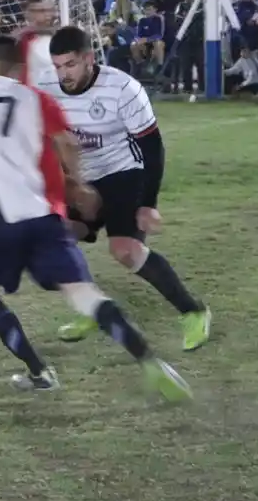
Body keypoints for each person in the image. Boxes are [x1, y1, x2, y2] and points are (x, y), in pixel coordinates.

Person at [0, 35, 191, 399]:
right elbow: (67, 142)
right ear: (16, 68)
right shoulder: (37, 99)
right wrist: (77, 183)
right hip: (45, 218)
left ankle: (40, 371)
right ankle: (150, 361)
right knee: (84, 294)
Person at [44, 26, 212, 351]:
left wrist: (148, 203)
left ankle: (193, 312)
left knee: (125, 251)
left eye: (71, 65)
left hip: (124, 173)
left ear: (89, 59)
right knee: (53, 240)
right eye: (58, 66)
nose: (64, 74)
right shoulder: (47, 89)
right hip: (81, 178)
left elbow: (152, 147)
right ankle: (93, 308)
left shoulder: (123, 89)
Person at [14, 0, 61, 86]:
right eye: (42, 11)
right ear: (28, 13)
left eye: (52, 10)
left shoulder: (63, 36)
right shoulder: (20, 40)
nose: (49, 15)